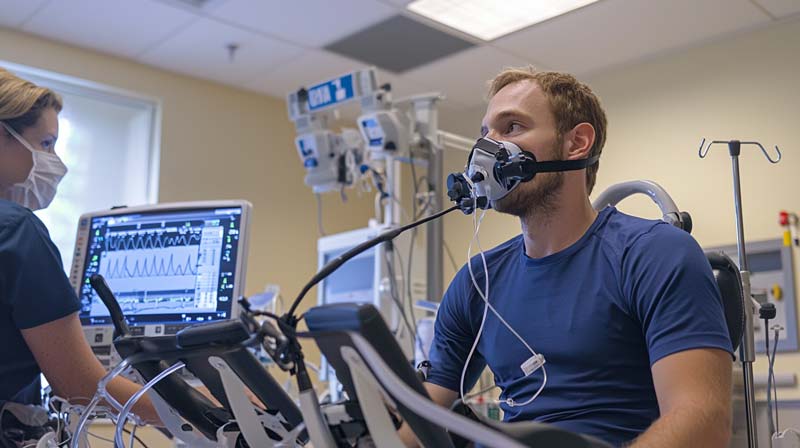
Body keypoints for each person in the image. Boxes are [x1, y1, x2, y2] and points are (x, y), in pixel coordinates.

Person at [405, 67, 733, 447]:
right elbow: (421, 420)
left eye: (511, 128)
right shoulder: (477, 280)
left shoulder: (654, 254)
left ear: (577, 143)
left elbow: (703, 422)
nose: (486, 151)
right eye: (484, 134)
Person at [0, 67, 160, 423]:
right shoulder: (17, 232)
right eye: (45, 144)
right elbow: (81, 387)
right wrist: (204, 409)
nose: (55, 161)